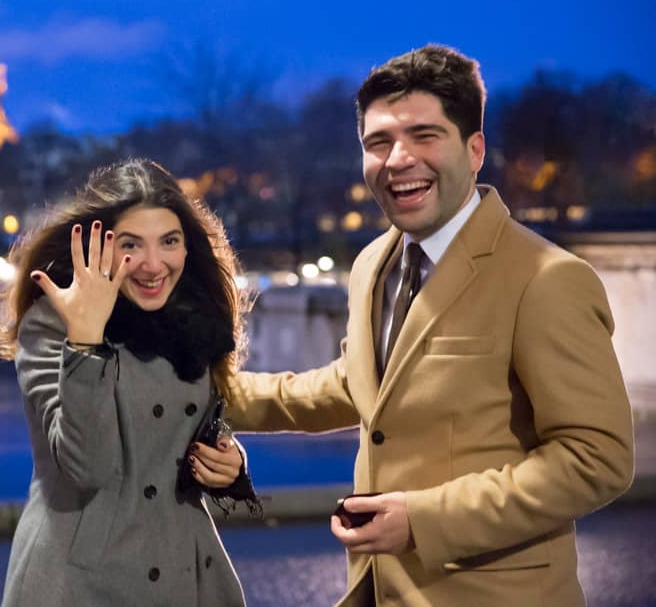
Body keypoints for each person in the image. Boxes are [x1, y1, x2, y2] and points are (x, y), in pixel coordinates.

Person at [224, 45, 635, 606]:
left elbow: (598, 459)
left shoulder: (547, 278)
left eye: (424, 136)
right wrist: (204, 391)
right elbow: (363, 385)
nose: (398, 159)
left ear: (475, 150)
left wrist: (422, 520)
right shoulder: (373, 263)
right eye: (378, 143)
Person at [0, 159, 257, 607]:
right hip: (85, 582)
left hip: (185, 571)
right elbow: (86, 467)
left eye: (169, 242)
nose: (153, 265)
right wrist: (86, 341)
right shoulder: (52, 326)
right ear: (96, 247)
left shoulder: (194, 320)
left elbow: (194, 423)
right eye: (130, 245)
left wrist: (231, 462)